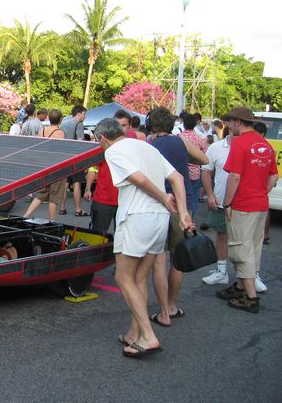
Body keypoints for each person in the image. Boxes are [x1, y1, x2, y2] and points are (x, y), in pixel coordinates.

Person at [94, 118, 191, 358]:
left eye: (99, 142)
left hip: (137, 218)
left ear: (103, 138)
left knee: (123, 277)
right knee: (139, 278)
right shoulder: (148, 146)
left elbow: (138, 179)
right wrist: (184, 212)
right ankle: (133, 334)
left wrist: (162, 197)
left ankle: (148, 336)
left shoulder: (114, 151)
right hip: (159, 220)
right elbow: (177, 177)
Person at [147, 107, 208, 327]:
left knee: (158, 261)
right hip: (183, 204)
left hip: (158, 203)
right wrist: (187, 159)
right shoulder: (181, 142)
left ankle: (162, 311)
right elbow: (204, 159)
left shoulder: (149, 145)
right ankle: (172, 306)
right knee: (178, 260)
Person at [216, 108, 278, 313]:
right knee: (252, 247)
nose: (229, 127)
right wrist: (261, 192)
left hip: (243, 204)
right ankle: (241, 286)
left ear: (238, 122)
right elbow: (273, 177)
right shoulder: (265, 144)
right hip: (260, 204)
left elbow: (234, 176)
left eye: (230, 123)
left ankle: (250, 297)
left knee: (240, 249)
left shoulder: (240, 143)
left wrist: (227, 203)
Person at [201, 125, 232, 285]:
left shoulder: (252, 147)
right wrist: (210, 195)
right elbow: (206, 171)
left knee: (247, 241)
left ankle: (252, 276)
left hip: (243, 203)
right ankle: (221, 271)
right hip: (221, 201)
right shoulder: (216, 148)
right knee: (221, 235)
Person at [22, 110, 66, 221]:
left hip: (44, 166)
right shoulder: (59, 132)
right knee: (54, 198)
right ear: (60, 119)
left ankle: (26, 215)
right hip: (56, 167)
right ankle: (52, 222)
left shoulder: (42, 131)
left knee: (42, 194)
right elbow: (62, 150)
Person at [60, 105, 88, 216]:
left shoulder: (64, 123)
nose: (85, 117)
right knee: (77, 183)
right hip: (75, 158)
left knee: (65, 183)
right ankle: (78, 209)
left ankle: (62, 208)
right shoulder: (79, 124)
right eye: (84, 114)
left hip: (65, 157)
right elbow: (80, 142)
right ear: (79, 114)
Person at [179, 113, 208, 217]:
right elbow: (205, 153)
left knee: (182, 196)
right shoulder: (199, 139)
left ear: (183, 123)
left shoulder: (179, 137)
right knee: (194, 198)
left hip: (181, 172)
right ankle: (191, 218)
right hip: (195, 173)